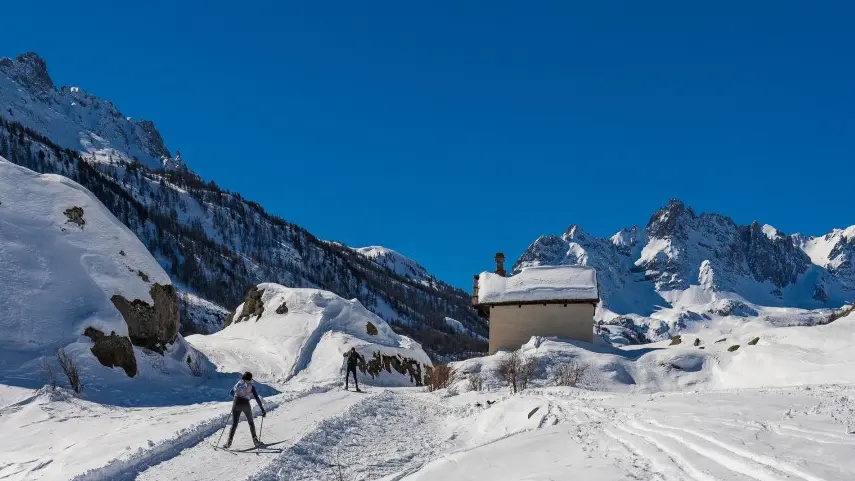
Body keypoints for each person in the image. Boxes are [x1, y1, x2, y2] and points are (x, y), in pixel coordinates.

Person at [224, 371, 266, 449]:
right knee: (251, 423)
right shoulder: (251, 386)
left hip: (236, 404)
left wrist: (237, 399)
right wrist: (262, 409)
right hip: (246, 404)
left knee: (234, 424)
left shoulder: (238, 384)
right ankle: (255, 441)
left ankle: (228, 442)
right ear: (250, 379)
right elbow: (257, 398)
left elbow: (231, 392)